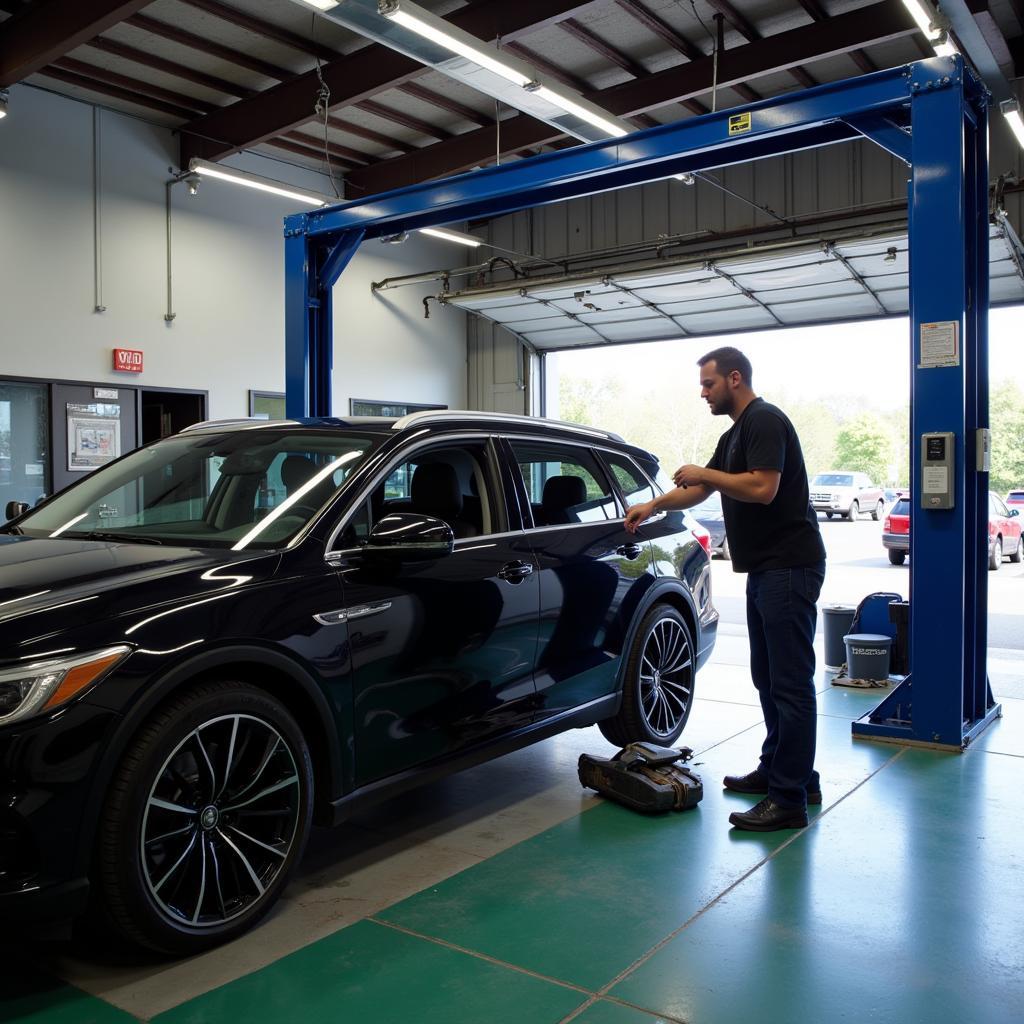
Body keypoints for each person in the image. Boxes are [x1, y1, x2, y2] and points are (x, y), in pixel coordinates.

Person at [625, 346, 826, 832]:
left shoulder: (764, 421)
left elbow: (762, 488)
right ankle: (791, 774)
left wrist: (704, 471)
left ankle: (789, 800)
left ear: (734, 379)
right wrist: (652, 507)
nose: (703, 392)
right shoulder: (736, 433)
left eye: (709, 384)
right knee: (767, 678)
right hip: (766, 571)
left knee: (791, 684)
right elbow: (700, 490)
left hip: (789, 567)